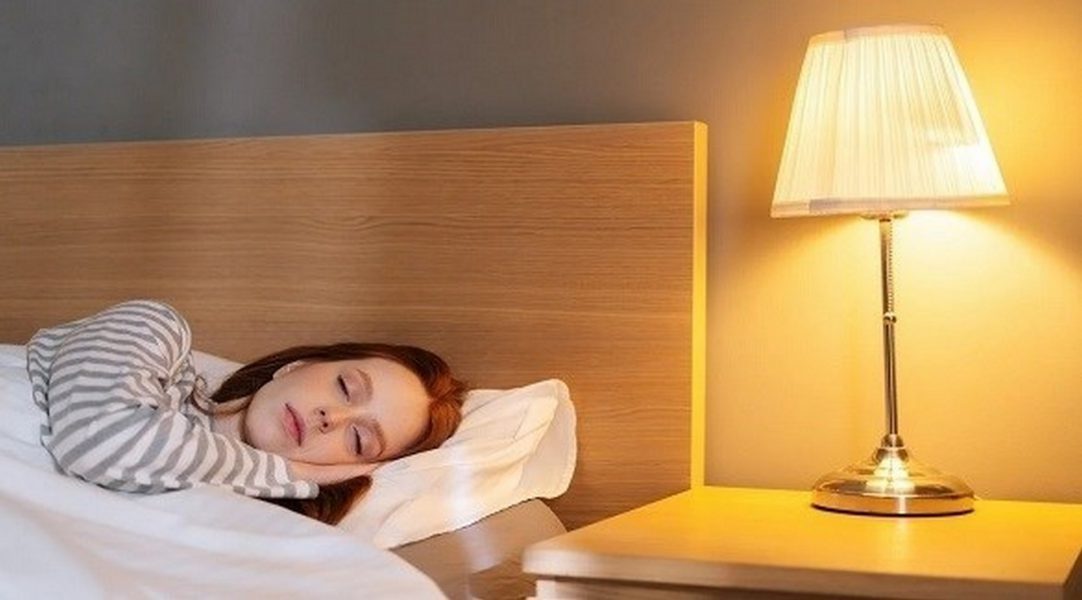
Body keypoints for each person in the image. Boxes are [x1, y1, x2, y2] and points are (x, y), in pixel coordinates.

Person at [26, 299, 466, 525]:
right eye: (345, 387)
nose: (331, 418)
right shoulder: (155, 330)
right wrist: (295, 471)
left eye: (358, 440)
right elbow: (100, 443)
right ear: (297, 366)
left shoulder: (242, 526)